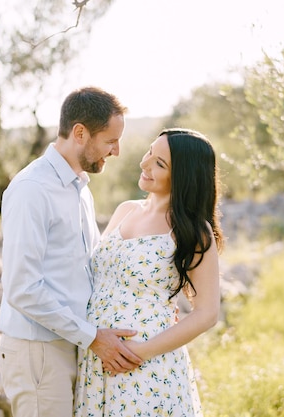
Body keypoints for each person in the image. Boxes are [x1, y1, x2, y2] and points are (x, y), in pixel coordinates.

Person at [0, 86, 143, 417]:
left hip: (72, 343)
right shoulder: (31, 190)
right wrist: (93, 338)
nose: (117, 151)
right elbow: (22, 288)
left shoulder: (80, 191)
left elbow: (87, 270)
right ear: (79, 133)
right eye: (110, 140)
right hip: (39, 352)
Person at [74, 128, 224, 416]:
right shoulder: (126, 210)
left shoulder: (192, 230)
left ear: (183, 176)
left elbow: (207, 313)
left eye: (160, 163)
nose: (145, 164)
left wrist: (139, 352)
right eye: (149, 153)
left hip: (146, 366)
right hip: (97, 357)